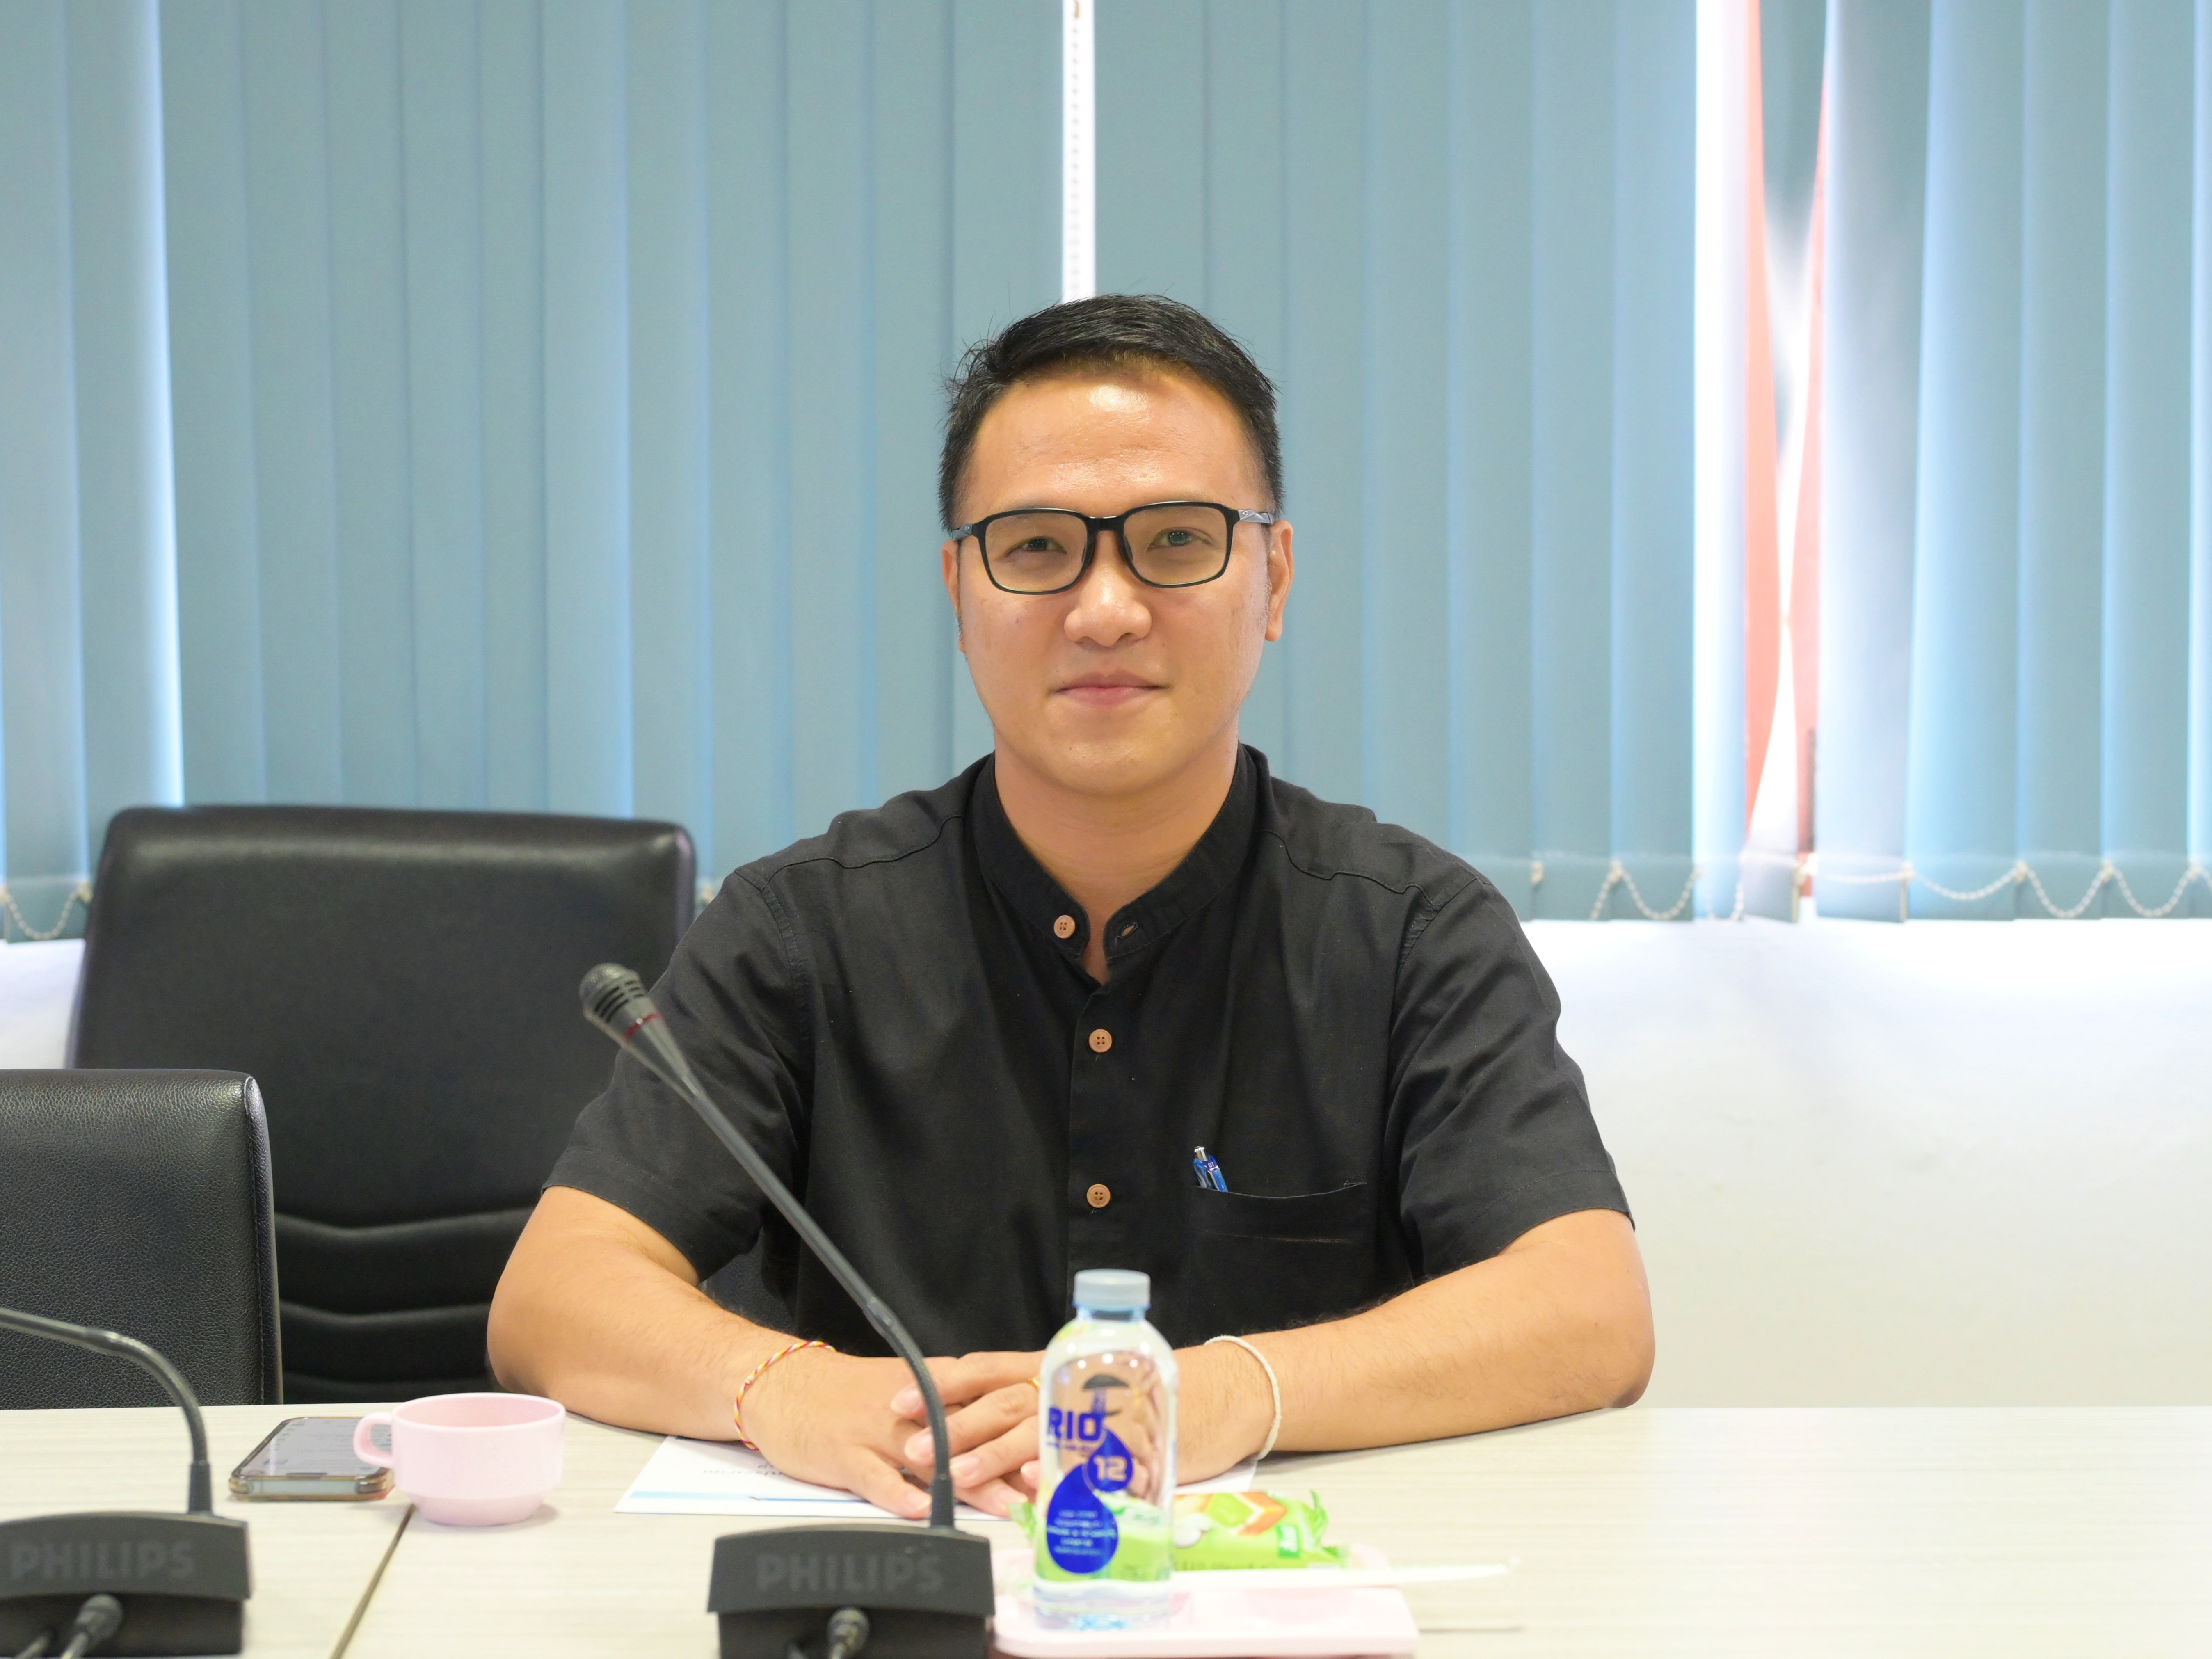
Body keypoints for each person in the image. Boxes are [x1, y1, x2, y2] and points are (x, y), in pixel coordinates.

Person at [488, 294, 1652, 1519]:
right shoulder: (799, 931)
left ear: (1273, 577)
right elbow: (553, 1294)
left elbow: (1589, 1307)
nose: (1105, 609)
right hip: (894, 1568)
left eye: (1176, 540)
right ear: (959, 588)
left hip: (1270, 1591)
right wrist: (786, 1387)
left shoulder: (1412, 932)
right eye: (1038, 548)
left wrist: (1224, 1393)